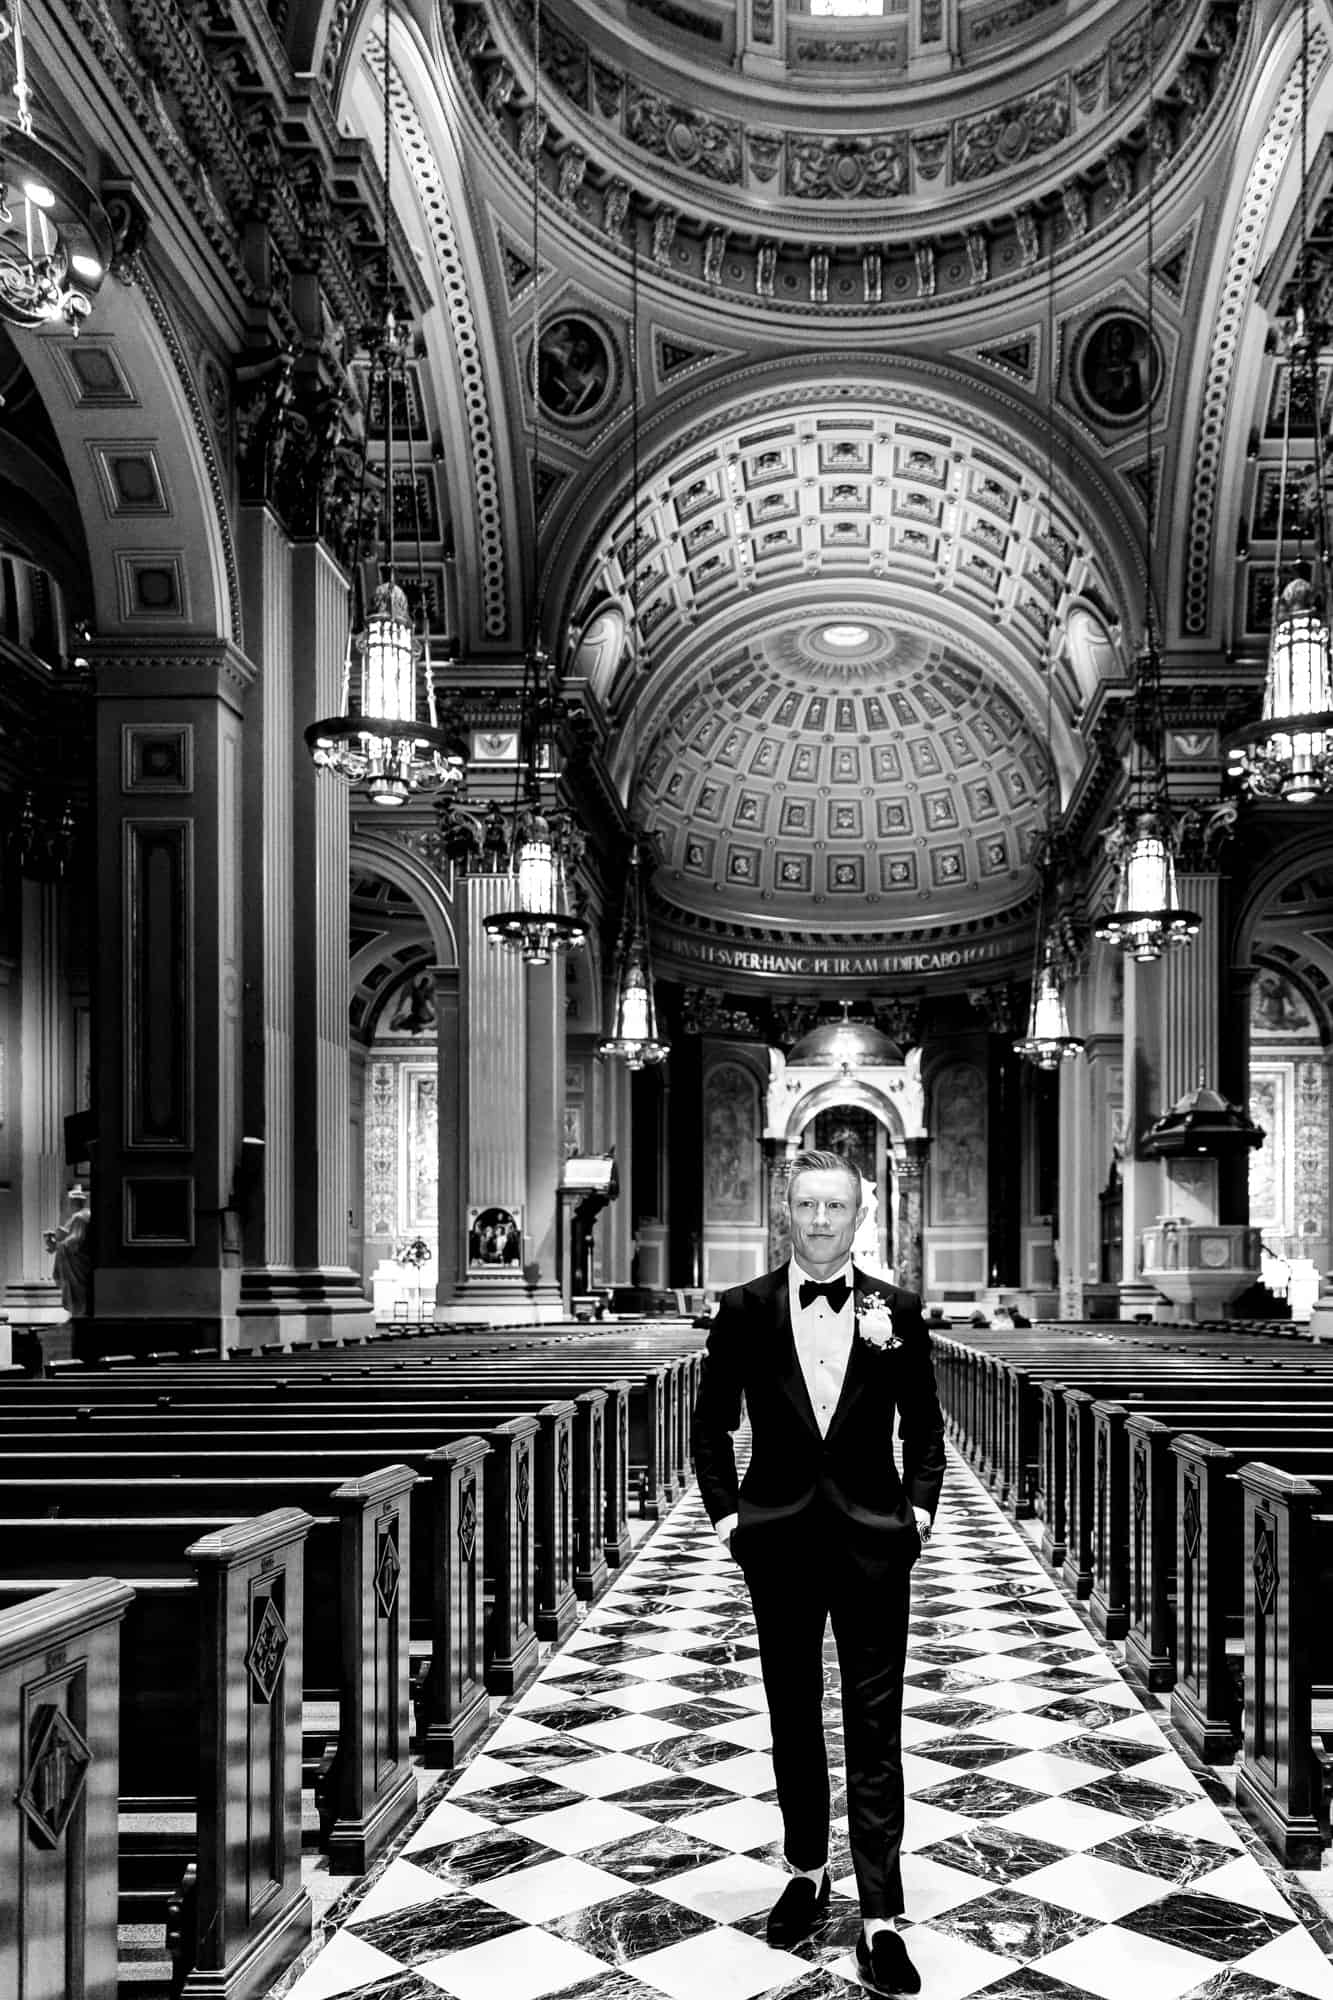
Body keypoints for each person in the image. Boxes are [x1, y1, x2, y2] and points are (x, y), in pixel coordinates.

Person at [692, 1148, 945, 1996]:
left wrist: (916, 1512)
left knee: (875, 1726)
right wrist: (730, 1519)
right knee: (793, 1711)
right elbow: (709, 1428)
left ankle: (880, 1916)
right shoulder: (742, 1310)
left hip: (875, 1541)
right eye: (806, 1206)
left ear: (857, 1216)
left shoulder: (896, 1310)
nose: (821, 1221)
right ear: (785, 1213)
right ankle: (806, 1870)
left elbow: (926, 1431)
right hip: (781, 1542)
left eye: (836, 1207)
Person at [45, 1185, 92, 1319]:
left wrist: (58, 1243)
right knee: (80, 1297)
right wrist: (57, 1242)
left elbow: (76, 1240)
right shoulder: (82, 1216)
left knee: (78, 1296)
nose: (70, 1205)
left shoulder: (80, 1217)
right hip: (81, 1262)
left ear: (75, 1202)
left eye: (71, 1202)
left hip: (78, 1264)